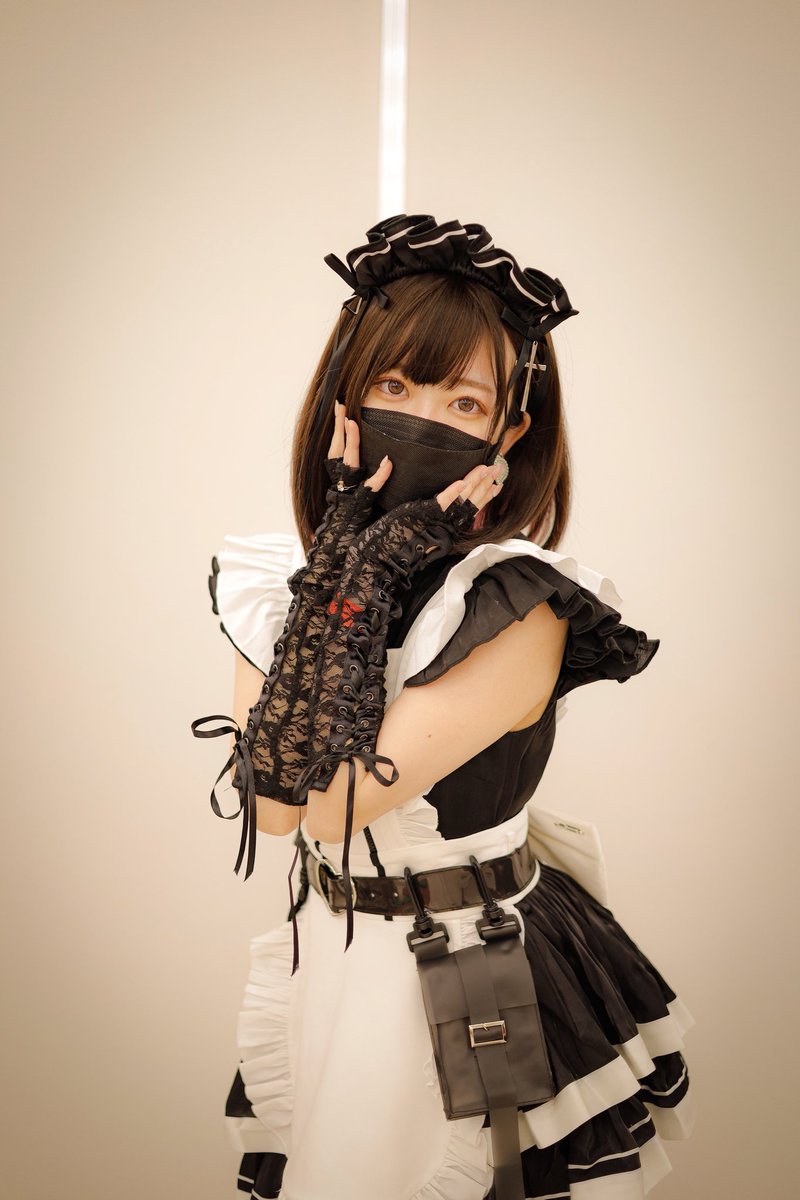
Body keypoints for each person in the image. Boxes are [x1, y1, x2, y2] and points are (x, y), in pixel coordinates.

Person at [192, 214, 695, 1200]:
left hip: (457, 971)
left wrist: (371, 564)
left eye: (463, 401)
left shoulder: (518, 605)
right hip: (331, 954)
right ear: (344, 398)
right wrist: (350, 556)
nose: (423, 419)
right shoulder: (276, 580)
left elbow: (331, 805)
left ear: (508, 436)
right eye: (394, 387)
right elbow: (271, 805)